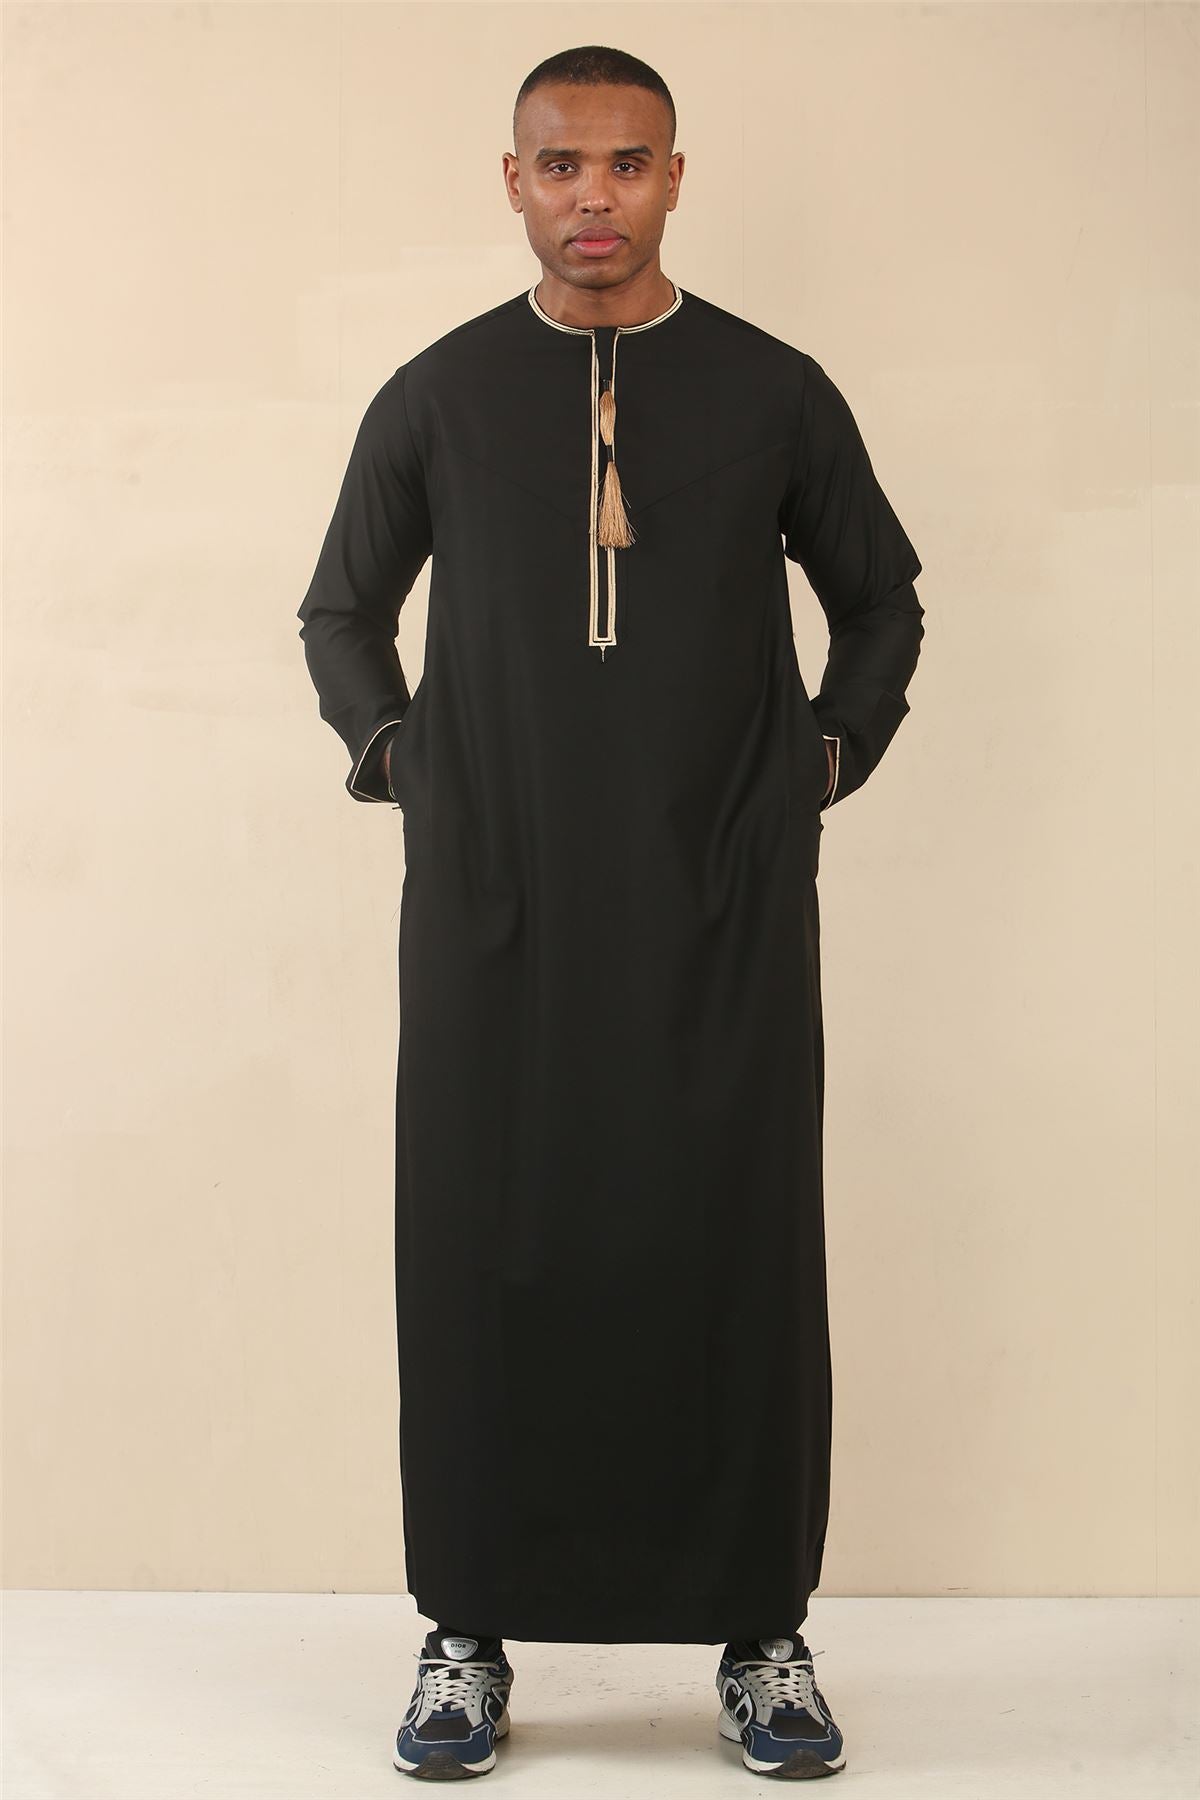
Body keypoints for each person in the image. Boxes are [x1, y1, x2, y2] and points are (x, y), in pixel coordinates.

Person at [297, 44, 923, 1784]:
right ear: (512, 181)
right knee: (478, 1241)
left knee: (735, 1242)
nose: (595, 197)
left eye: (627, 164)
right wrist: (403, 761)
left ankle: (762, 1635)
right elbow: (341, 611)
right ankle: (466, 1631)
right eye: (562, 165)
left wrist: (822, 760)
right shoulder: (438, 395)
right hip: (494, 902)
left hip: (720, 898)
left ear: (674, 178)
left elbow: (882, 600)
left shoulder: (774, 390)